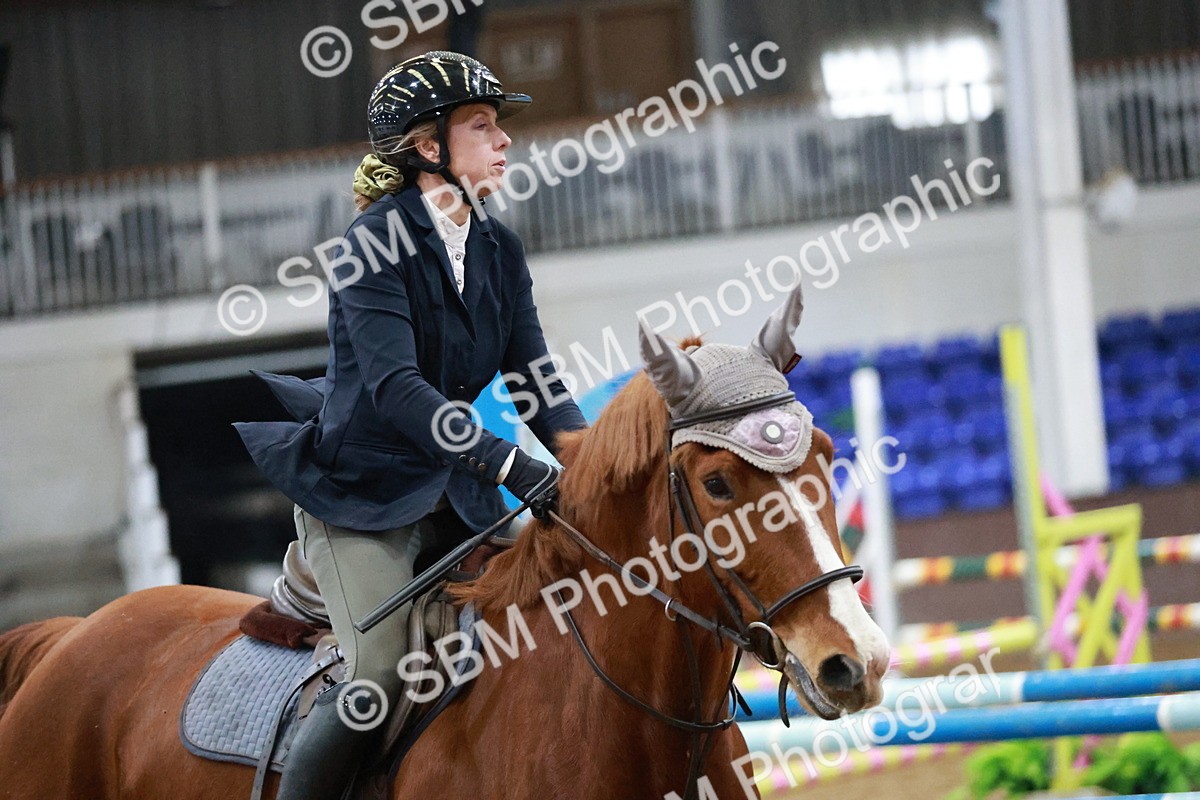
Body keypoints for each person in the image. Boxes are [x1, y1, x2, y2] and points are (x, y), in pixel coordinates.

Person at [233, 51, 587, 800]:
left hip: (462, 499)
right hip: (365, 497)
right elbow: (397, 391)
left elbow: (534, 379)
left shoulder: (498, 246)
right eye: (484, 126)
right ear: (430, 148)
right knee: (381, 677)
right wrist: (511, 465)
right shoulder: (371, 247)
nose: (506, 141)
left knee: (567, 615)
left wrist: (586, 463)